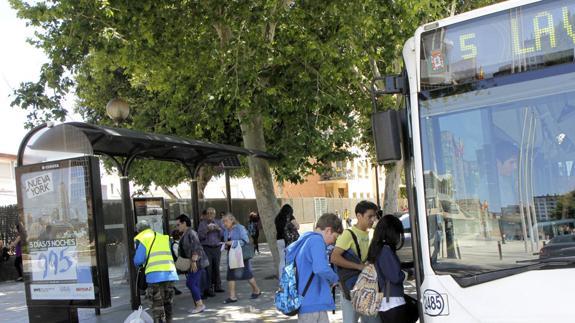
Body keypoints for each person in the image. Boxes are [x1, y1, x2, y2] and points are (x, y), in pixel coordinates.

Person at [286, 213, 342, 323]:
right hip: (312, 302)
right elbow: (320, 268)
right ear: (328, 231)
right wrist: (336, 278)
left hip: (310, 302)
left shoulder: (306, 239)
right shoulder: (317, 241)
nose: (333, 242)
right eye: (335, 238)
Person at [330, 201, 379, 323]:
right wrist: (358, 266)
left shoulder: (371, 233)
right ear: (359, 216)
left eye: (374, 216)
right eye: (369, 216)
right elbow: (334, 258)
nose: (372, 219)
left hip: (367, 286)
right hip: (351, 287)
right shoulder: (348, 234)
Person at [368, 214, 418, 323]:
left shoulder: (377, 248)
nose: (399, 237)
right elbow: (395, 276)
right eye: (398, 233)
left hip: (385, 302)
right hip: (392, 301)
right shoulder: (385, 250)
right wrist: (407, 274)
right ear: (392, 232)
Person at [134, 220, 178, 323]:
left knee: (157, 305)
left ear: (139, 230)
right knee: (168, 303)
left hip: (154, 276)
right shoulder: (162, 237)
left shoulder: (143, 239)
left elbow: (138, 260)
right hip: (170, 274)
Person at [222, 213, 262, 304]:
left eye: (226, 221)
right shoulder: (226, 230)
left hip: (241, 254)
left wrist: (233, 242)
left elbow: (246, 241)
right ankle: (232, 297)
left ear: (232, 220)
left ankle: (257, 290)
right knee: (230, 275)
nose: (224, 223)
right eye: (223, 221)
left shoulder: (240, 228)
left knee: (247, 274)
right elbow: (226, 240)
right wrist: (225, 245)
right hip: (231, 254)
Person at [177, 214, 207, 314]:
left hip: (197, 262)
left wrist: (194, 261)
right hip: (194, 262)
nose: (177, 227)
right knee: (194, 283)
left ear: (184, 223)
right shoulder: (186, 233)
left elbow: (196, 247)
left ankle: (200, 305)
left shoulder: (191, 233)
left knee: (190, 283)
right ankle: (198, 305)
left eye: (178, 224)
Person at [198, 207, 225, 295]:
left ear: (214, 214)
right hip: (207, 248)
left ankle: (218, 286)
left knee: (216, 267)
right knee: (208, 268)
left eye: (212, 213)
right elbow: (199, 236)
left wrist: (219, 229)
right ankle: (209, 288)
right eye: (208, 213)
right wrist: (207, 230)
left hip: (217, 248)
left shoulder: (219, 222)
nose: (210, 215)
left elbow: (224, 235)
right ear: (206, 215)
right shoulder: (202, 224)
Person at [275, 204, 299, 278]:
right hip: (289, 240)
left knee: (282, 260)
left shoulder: (277, 218)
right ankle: (290, 278)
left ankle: (281, 279)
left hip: (279, 240)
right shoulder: (290, 217)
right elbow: (297, 226)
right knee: (291, 259)